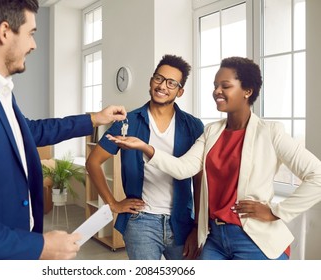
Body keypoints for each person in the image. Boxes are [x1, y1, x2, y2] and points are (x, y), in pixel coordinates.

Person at [0, 0, 126, 260]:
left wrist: (94, 118)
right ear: (5, 32)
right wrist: (38, 247)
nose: (34, 45)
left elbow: (32, 131)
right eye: (31, 33)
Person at [107, 56, 321, 260]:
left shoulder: (271, 132)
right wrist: (146, 148)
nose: (216, 91)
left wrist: (275, 211)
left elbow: (317, 175)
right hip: (215, 239)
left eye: (225, 86)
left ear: (247, 91)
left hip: (253, 238)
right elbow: (183, 168)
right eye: (215, 85)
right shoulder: (211, 132)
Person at [86, 54, 204, 260]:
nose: (162, 86)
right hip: (141, 222)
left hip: (182, 222)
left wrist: (197, 227)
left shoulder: (193, 126)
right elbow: (93, 162)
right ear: (151, 81)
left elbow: (199, 178)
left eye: (171, 83)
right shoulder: (127, 122)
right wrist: (112, 203)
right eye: (158, 78)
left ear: (180, 91)